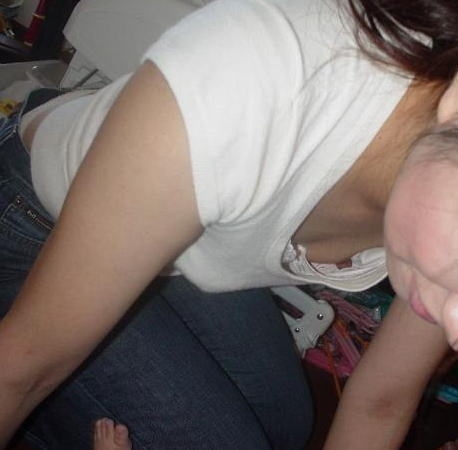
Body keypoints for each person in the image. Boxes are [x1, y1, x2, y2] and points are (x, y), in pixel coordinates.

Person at [1, 0, 458, 448]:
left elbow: (382, 401)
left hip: (185, 241)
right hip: (33, 215)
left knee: (287, 424)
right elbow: (18, 370)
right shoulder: (254, 79)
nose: (453, 333)